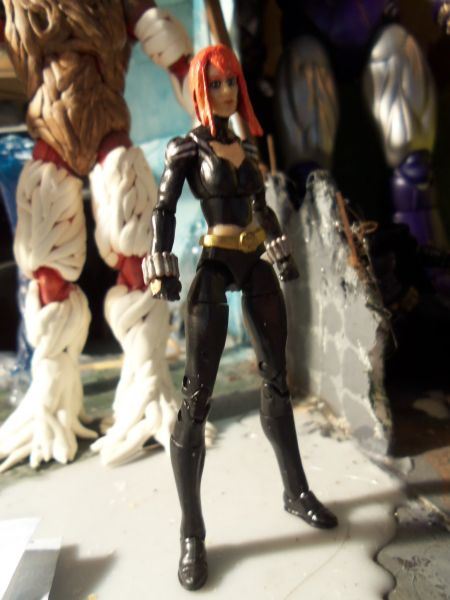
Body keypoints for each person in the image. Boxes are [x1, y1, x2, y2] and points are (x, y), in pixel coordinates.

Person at [142, 44, 338, 592]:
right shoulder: (186, 148)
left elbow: (261, 206)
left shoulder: (246, 148)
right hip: (213, 263)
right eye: (217, 83)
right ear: (201, 89)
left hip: (255, 262)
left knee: (277, 378)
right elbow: (163, 209)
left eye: (232, 82)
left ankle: (295, 490)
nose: (227, 91)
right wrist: (159, 261)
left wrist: (279, 245)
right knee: (196, 400)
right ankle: (192, 533)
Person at [0, 0, 194, 471]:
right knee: (46, 264)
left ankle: (148, 384)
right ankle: (51, 399)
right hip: (51, 130)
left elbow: (165, 41)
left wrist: (200, 83)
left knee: (135, 250)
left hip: (108, 127)